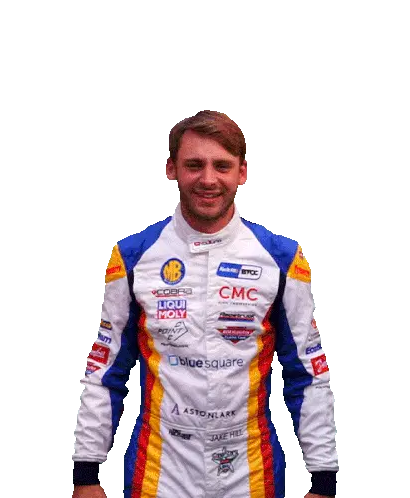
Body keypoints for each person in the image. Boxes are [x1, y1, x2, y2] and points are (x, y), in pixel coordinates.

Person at [71, 110, 339, 498]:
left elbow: (309, 373)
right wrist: (85, 473)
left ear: (242, 173)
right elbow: (104, 370)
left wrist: (325, 477)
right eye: (194, 165)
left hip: (252, 474)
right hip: (158, 473)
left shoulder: (281, 259)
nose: (208, 179)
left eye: (222, 166)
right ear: (171, 169)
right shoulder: (132, 258)